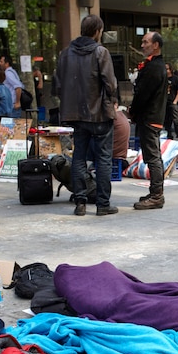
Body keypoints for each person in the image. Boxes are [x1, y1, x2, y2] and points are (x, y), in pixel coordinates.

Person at [54, 14, 118, 216]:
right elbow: (111, 84)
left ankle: (80, 201)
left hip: (75, 114)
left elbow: (57, 86)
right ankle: (102, 203)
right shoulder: (101, 52)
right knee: (103, 159)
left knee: (79, 157)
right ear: (98, 31)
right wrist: (111, 100)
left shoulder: (66, 54)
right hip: (99, 113)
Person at [129, 32, 167, 210]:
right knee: (153, 156)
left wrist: (133, 111)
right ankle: (155, 192)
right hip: (152, 116)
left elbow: (142, 94)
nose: (142, 45)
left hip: (150, 117)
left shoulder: (154, 67)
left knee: (153, 157)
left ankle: (157, 195)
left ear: (156, 45)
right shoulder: (155, 66)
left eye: (145, 42)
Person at [164, 63, 178, 140]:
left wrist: (175, 101)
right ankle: (169, 136)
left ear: (170, 69)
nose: (166, 71)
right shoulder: (163, 79)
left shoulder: (176, 79)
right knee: (167, 121)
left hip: (173, 102)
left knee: (176, 120)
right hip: (164, 103)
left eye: (167, 69)